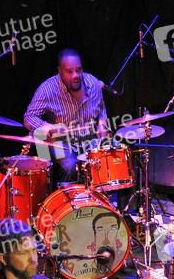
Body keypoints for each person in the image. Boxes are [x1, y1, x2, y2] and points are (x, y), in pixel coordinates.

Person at [24, 48, 111, 186]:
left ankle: (110, 199)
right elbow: (29, 117)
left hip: (88, 140)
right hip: (59, 143)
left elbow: (101, 105)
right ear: (60, 71)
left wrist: (102, 122)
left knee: (114, 155)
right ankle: (68, 199)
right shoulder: (47, 89)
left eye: (78, 70)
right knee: (69, 164)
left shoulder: (93, 83)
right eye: (69, 71)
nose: (75, 75)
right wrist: (49, 128)